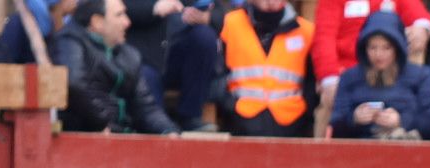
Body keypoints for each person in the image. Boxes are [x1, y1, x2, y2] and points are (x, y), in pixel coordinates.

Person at [52, 0, 180, 134]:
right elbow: (74, 84)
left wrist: (168, 130)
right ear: (97, 22)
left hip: (123, 137)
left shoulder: (129, 55)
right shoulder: (69, 42)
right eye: (119, 15)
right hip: (84, 139)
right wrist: (100, 123)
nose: (127, 22)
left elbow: (146, 107)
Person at [314, 0, 430, 131]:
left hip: (395, 74)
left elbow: (420, 17)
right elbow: (324, 38)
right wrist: (329, 78)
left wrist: (421, 29)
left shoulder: (417, 76)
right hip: (347, 75)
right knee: (330, 107)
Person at [331, 10, 430, 137]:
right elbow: (335, 126)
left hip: (407, 150)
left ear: (397, 48)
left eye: (386, 48)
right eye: (373, 47)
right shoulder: (349, 78)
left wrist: (401, 121)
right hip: (360, 150)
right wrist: (353, 119)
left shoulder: (420, 76)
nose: (378, 55)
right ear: (364, 48)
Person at [215, 0, 317, 137]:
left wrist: (305, 113)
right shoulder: (230, 24)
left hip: (291, 125)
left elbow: (312, 84)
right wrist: (230, 105)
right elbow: (217, 73)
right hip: (240, 123)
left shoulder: (306, 31)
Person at [127, 0, 218, 131]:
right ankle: (161, 130)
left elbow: (220, 13)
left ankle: (189, 117)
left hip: (178, 58)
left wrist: (206, 17)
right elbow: (109, 10)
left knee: (204, 37)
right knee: (147, 78)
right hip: (143, 58)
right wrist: (154, 8)